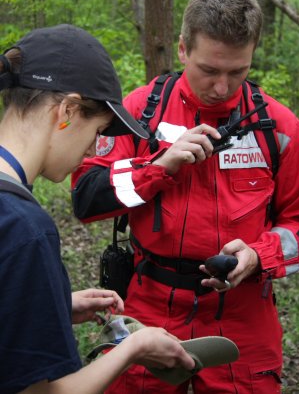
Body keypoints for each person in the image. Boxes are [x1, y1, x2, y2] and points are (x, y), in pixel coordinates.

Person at [71, 0, 299, 394]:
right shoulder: (138, 112)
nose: (221, 88)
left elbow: (297, 224)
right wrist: (157, 167)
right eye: (209, 70)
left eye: (238, 71)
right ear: (182, 49)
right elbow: (87, 197)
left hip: (244, 318)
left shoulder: (280, 129)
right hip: (149, 304)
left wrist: (257, 256)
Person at [0, 24, 199, 394]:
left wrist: (52, 304)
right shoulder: (25, 229)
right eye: (97, 133)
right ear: (68, 110)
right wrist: (135, 347)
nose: (92, 152)